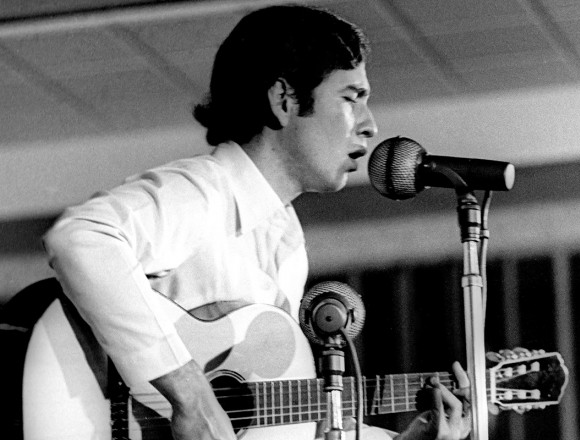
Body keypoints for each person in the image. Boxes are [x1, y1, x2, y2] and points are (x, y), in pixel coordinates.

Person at [42, 4, 471, 440]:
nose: (370, 126)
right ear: (284, 100)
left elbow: (272, 421)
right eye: (350, 98)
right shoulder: (204, 191)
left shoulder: (286, 244)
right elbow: (81, 238)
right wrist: (191, 397)